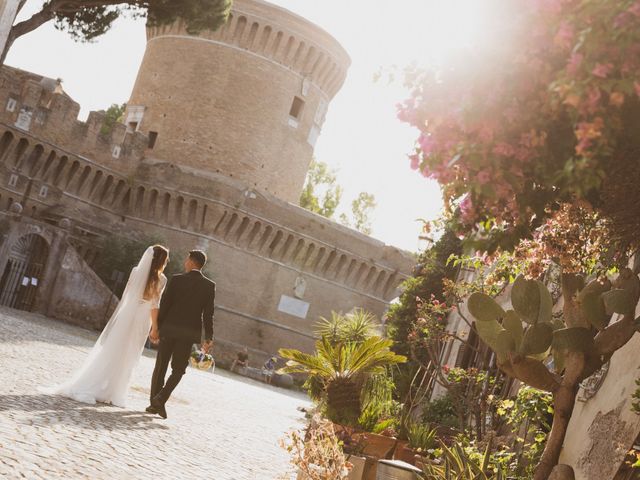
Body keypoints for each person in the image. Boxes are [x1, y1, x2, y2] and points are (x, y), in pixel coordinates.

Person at [40, 245, 169, 407]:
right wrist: (155, 328)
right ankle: (115, 393)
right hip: (142, 320)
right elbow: (154, 305)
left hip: (127, 316)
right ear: (162, 261)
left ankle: (99, 386)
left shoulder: (136, 271)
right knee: (129, 355)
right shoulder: (162, 279)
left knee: (112, 350)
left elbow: (126, 296)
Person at [146, 250, 216, 419]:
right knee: (178, 370)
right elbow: (208, 314)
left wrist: (156, 328)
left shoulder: (177, 280)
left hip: (169, 330)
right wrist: (208, 338)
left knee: (161, 366)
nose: (185, 262)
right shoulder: (209, 286)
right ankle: (160, 400)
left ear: (192, 262)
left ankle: (156, 402)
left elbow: (165, 304)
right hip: (188, 334)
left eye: (187, 259)